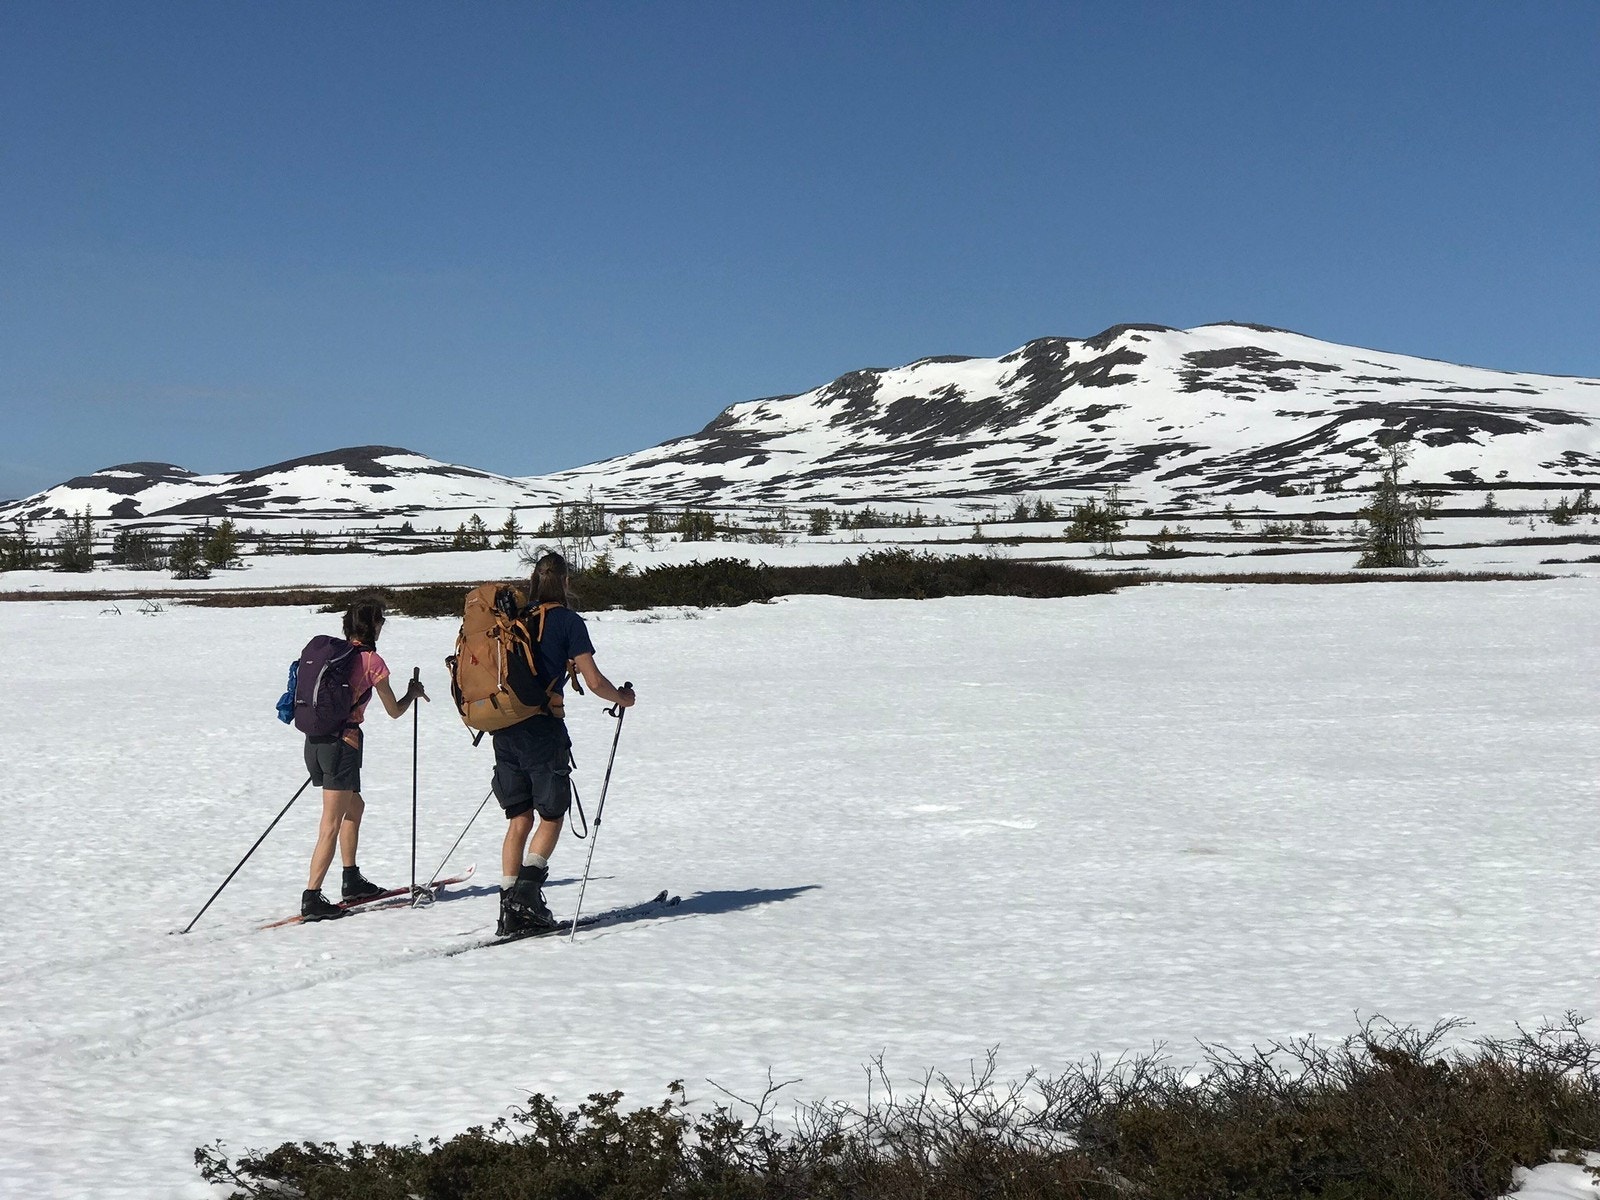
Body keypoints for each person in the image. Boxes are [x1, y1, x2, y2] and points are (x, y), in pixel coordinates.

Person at [494, 552, 635, 935]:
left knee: (519, 818)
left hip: (504, 725)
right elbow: (594, 681)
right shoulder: (567, 621)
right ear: (566, 582)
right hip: (542, 728)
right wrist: (621, 698)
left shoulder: (517, 617)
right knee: (552, 814)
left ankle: (508, 909)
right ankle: (526, 896)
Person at [300, 598, 429, 921]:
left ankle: (351, 879)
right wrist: (412, 694)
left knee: (354, 807)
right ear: (373, 626)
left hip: (315, 743)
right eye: (380, 622)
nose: (382, 626)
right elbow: (394, 711)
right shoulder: (372, 661)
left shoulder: (334, 656)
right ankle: (312, 897)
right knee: (330, 823)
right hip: (342, 746)